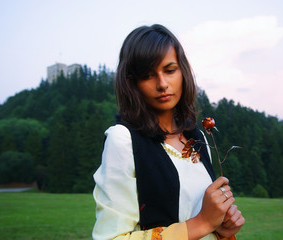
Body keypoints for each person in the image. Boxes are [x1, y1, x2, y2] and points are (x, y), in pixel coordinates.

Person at [92, 24, 245, 240]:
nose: (162, 84)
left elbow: (205, 223)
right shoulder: (124, 140)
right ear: (132, 83)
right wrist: (201, 223)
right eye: (147, 75)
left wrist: (222, 229)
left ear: (183, 71)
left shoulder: (198, 138)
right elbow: (111, 238)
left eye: (170, 70)